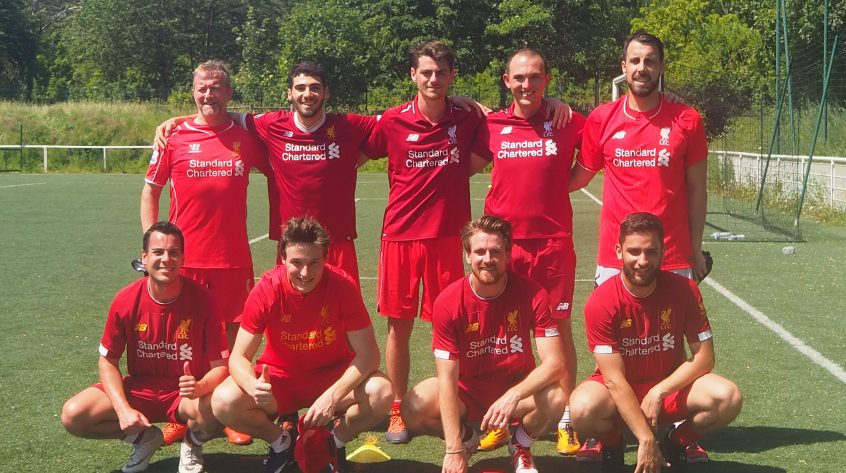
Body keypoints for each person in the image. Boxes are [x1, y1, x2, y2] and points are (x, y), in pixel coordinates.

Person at [154, 62, 487, 284]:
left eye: (314, 88)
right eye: (300, 88)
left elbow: (401, 117)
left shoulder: (350, 125)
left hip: (338, 242)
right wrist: (179, 120)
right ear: (289, 93)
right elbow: (218, 115)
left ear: (325, 93)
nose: (307, 94)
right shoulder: (270, 125)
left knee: (347, 323)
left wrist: (449, 98)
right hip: (291, 245)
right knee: (290, 320)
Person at [568, 31, 710, 462]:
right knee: (614, 348)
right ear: (623, 67)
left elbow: (697, 189)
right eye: (635, 60)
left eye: (650, 60)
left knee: (672, 346)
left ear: (661, 67)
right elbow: (578, 176)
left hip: (673, 254)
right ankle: (610, 432)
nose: (642, 68)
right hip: (617, 259)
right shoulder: (602, 119)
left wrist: (696, 249)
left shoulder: (686, 119)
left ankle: (676, 430)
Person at [140, 59, 266, 446]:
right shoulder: (173, 137)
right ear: (193, 92)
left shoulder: (246, 138)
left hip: (232, 258)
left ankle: (227, 412)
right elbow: (150, 192)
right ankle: (181, 412)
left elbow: (282, 155)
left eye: (216, 87)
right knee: (185, 340)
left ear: (229, 92)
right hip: (185, 259)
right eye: (202, 88)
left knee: (232, 340)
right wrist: (152, 246)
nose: (208, 94)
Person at [211, 217, 393, 473]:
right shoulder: (267, 289)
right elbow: (238, 357)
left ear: (326, 259)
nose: (305, 273)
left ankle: (333, 442)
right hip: (281, 381)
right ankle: (281, 442)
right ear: (283, 258)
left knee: (382, 393)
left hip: (332, 377)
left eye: (314, 263)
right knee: (223, 401)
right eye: (297, 262)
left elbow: (369, 355)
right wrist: (252, 386)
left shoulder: (342, 286)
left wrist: (333, 396)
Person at [470, 47, 584, 455]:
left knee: (558, 330)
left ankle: (566, 418)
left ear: (547, 80)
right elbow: (463, 157)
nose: (527, 84)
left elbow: (590, 160)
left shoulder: (567, 121)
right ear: (507, 81)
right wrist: (464, 101)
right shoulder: (491, 125)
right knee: (502, 333)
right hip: (503, 247)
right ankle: (503, 419)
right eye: (519, 77)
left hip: (552, 245)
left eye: (535, 77)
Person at [569, 212, 742, 473]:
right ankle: (613, 443)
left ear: (663, 251)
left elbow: (705, 357)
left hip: (668, 390)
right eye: (634, 251)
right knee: (581, 409)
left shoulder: (685, 290)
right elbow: (613, 380)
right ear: (619, 251)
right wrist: (645, 438)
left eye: (651, 251)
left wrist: (659, 391)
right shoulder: (600, 302)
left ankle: (675, 442)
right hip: (619, 392)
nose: (642, 261)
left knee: (728, 397)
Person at [401, 215, 566, 473]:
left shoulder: (533, 294)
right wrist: (454, 448)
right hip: (467, 395)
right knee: (412, 408)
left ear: (508, 255)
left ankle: (520, 444)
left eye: (495, 252)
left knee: (556, 397)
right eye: (479, 252)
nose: (487, 259)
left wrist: (513, 395)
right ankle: (468, 438)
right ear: (467, 256)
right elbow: (447, 378)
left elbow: (556, 364)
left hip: (517, 393)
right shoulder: (447, 302)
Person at [61, 222, 229, 473]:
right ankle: (145, 438)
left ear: (183, 258)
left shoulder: (204, 300)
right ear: (144, 257)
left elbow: (221, 366)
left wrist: (201, 386)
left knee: (227, 403)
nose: (166, 259)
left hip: (186, 395)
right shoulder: (125, 300)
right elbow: (107, 361)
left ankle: (193, 443)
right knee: (74, 415)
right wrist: (122, 410)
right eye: (158, 252)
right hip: (140, 391)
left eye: (174, 252)